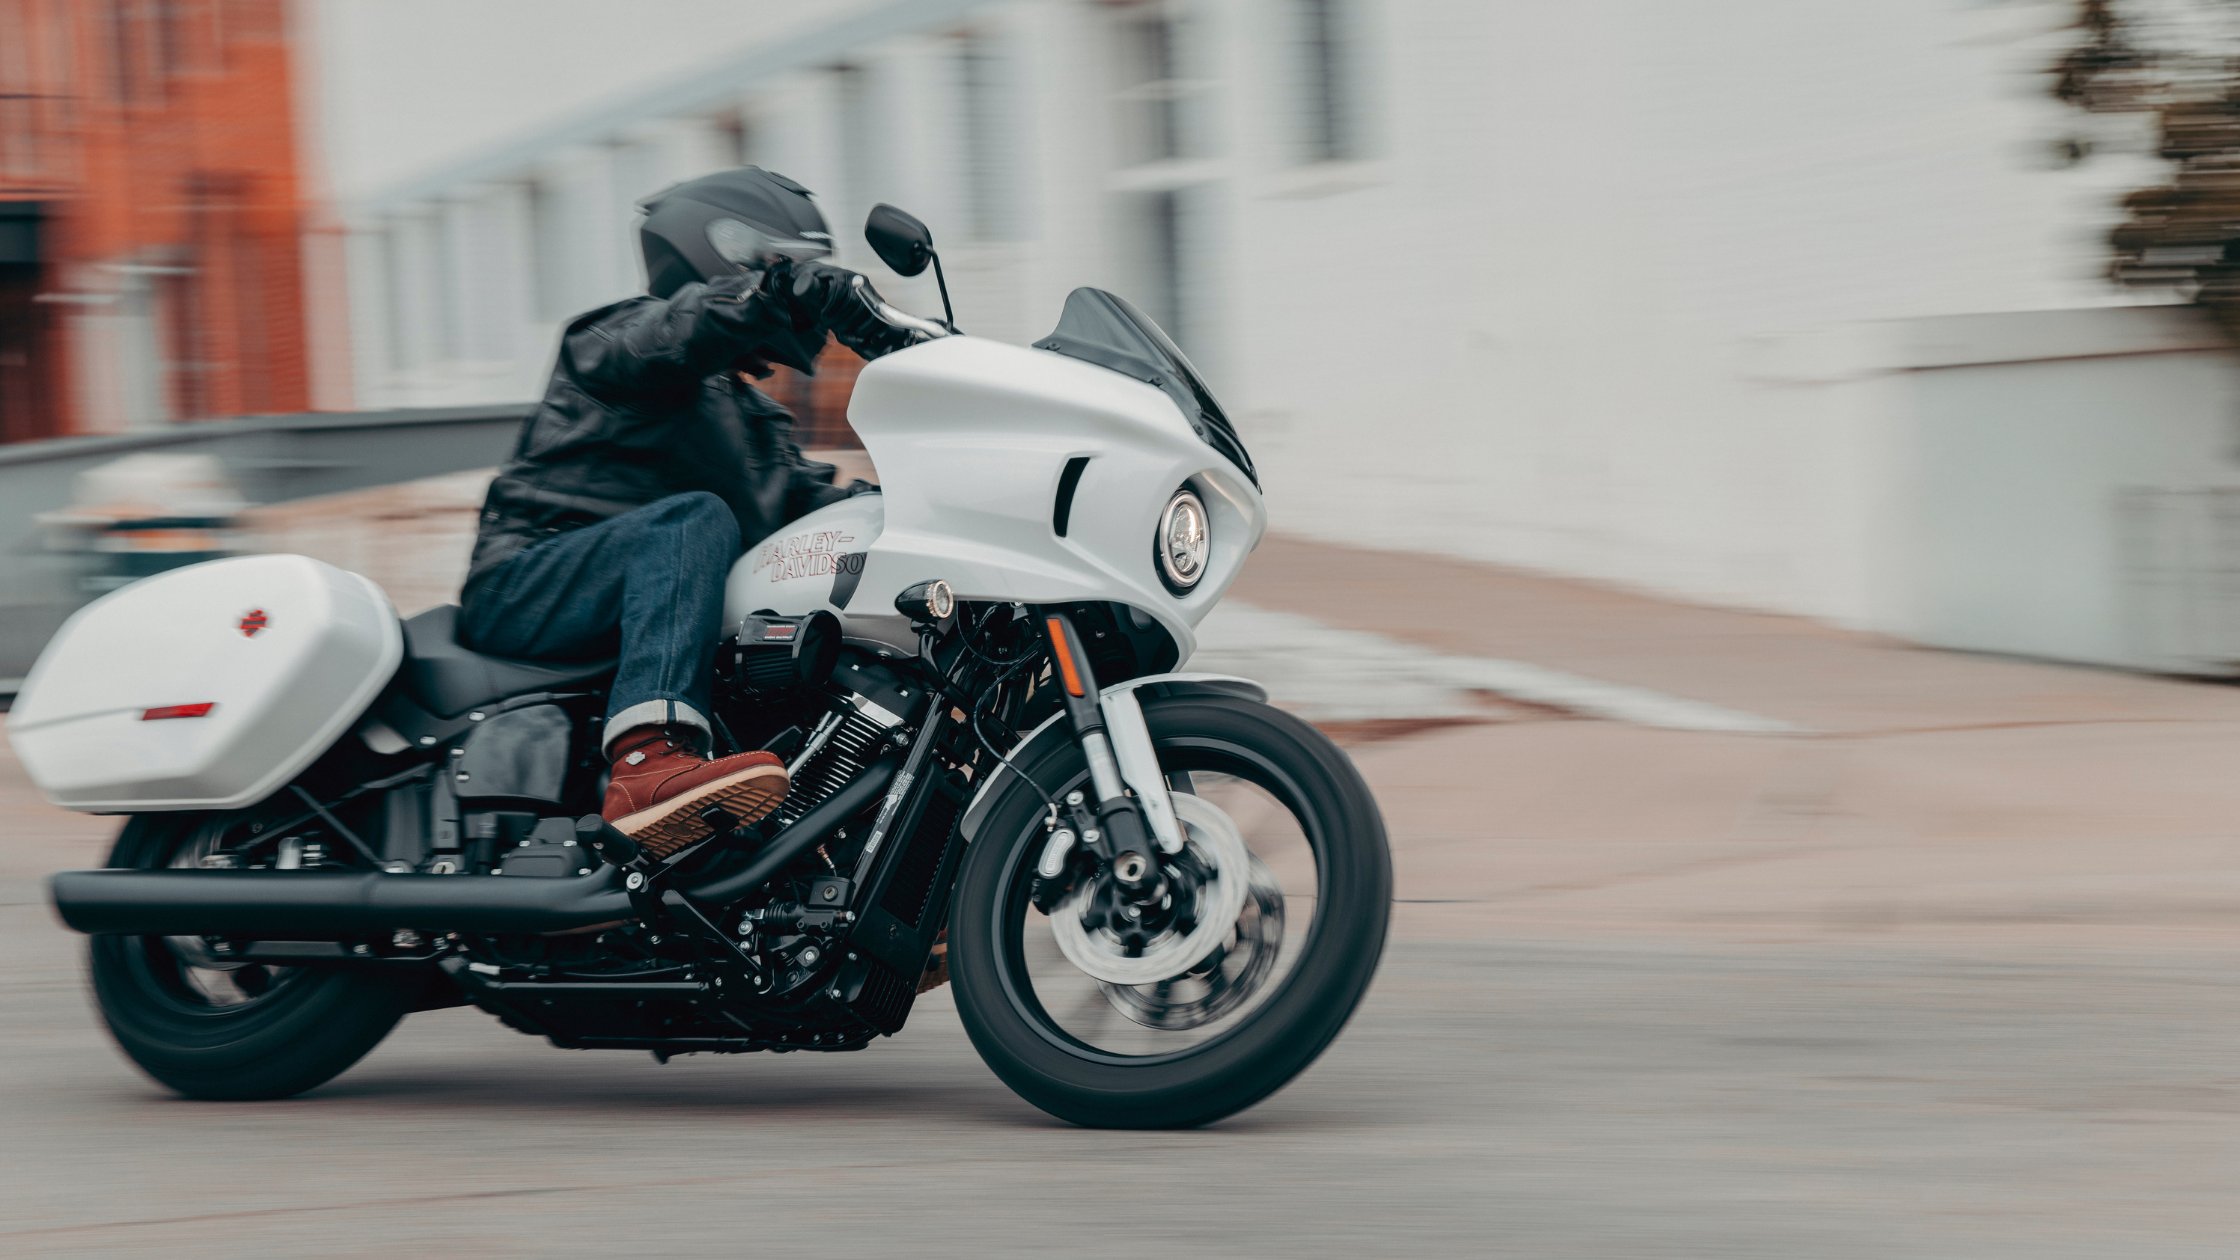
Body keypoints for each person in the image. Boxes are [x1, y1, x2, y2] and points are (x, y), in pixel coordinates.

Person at [457, 167, 919, 856]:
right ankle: (648, 764)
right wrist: (772, 292)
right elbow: (679, 331)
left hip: (621, 601)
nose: (804, 286)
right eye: (789, 264)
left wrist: (926, 507)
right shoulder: (618, 342)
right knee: (693, 520)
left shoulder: (754, 425)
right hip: (528, 582)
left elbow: (824, 511)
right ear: (730, 255)